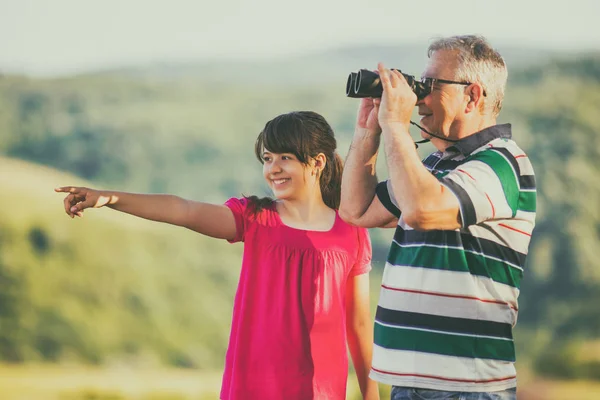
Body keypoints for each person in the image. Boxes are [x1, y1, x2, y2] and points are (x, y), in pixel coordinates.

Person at [55, 111, 380, 400]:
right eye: (267, 159)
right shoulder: (255, 219)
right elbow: (183, 209)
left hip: (322, 390)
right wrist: (110, 198)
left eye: (285, 158)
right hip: (252, 388)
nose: (273, 169)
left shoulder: (351, 231)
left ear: (317, 162)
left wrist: (370, 395)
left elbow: (359, 323)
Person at [339, 35, 536, 400]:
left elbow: (422, 211)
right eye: (421, 85)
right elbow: (356, 210)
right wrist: (369, 132)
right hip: (410, 382)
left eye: (431, 86)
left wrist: (397, 126)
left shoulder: (502, 163)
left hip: (466, 387)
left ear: (472, 95)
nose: (420, 98)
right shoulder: (432, 166)